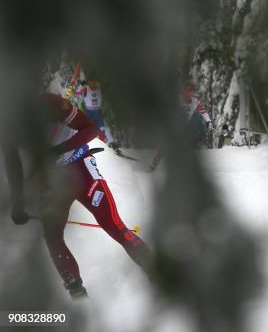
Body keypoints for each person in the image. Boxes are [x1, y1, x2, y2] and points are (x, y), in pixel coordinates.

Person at [1, 93, 153, 299]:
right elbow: (13, 163)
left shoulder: (49, 103)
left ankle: (158, 274)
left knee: (113, 224)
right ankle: (77, 293)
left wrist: (58, 151)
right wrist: (18, 203)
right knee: (53, 237)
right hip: (53, 182)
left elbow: (91, 129)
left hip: (81, 169)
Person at [148, 85, 212, 171]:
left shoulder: (195, 102)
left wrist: (208, 122)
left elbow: (203, 112)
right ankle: (153, 165)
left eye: (190, 91)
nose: (188, 93)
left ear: (192, 92)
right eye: (186, 91)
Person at [75, 79, 120, 153]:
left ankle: (112, 145)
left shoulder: (99, 88)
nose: (93, 84)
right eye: (91, 82)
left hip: (98, 112)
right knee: (88, 129)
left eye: (95, 82)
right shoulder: (85, 89)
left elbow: (105, 97)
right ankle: (84, 146)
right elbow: (77, 94)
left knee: (104, 128)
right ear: (89, 83)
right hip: (89, 112)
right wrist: (81, 86)